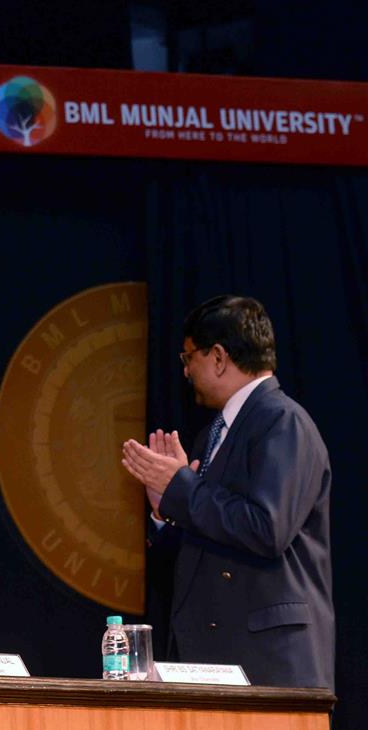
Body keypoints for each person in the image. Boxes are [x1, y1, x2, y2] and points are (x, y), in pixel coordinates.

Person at [121, 295, 333, 688]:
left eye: (188, 359)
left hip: (268, 662)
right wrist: (164, 509)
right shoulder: (212, 436)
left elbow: (266, 528)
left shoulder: (283, 422)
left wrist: (181, 487)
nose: (185, 372)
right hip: (212, 658)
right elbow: (206, 541)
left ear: (218, 357)